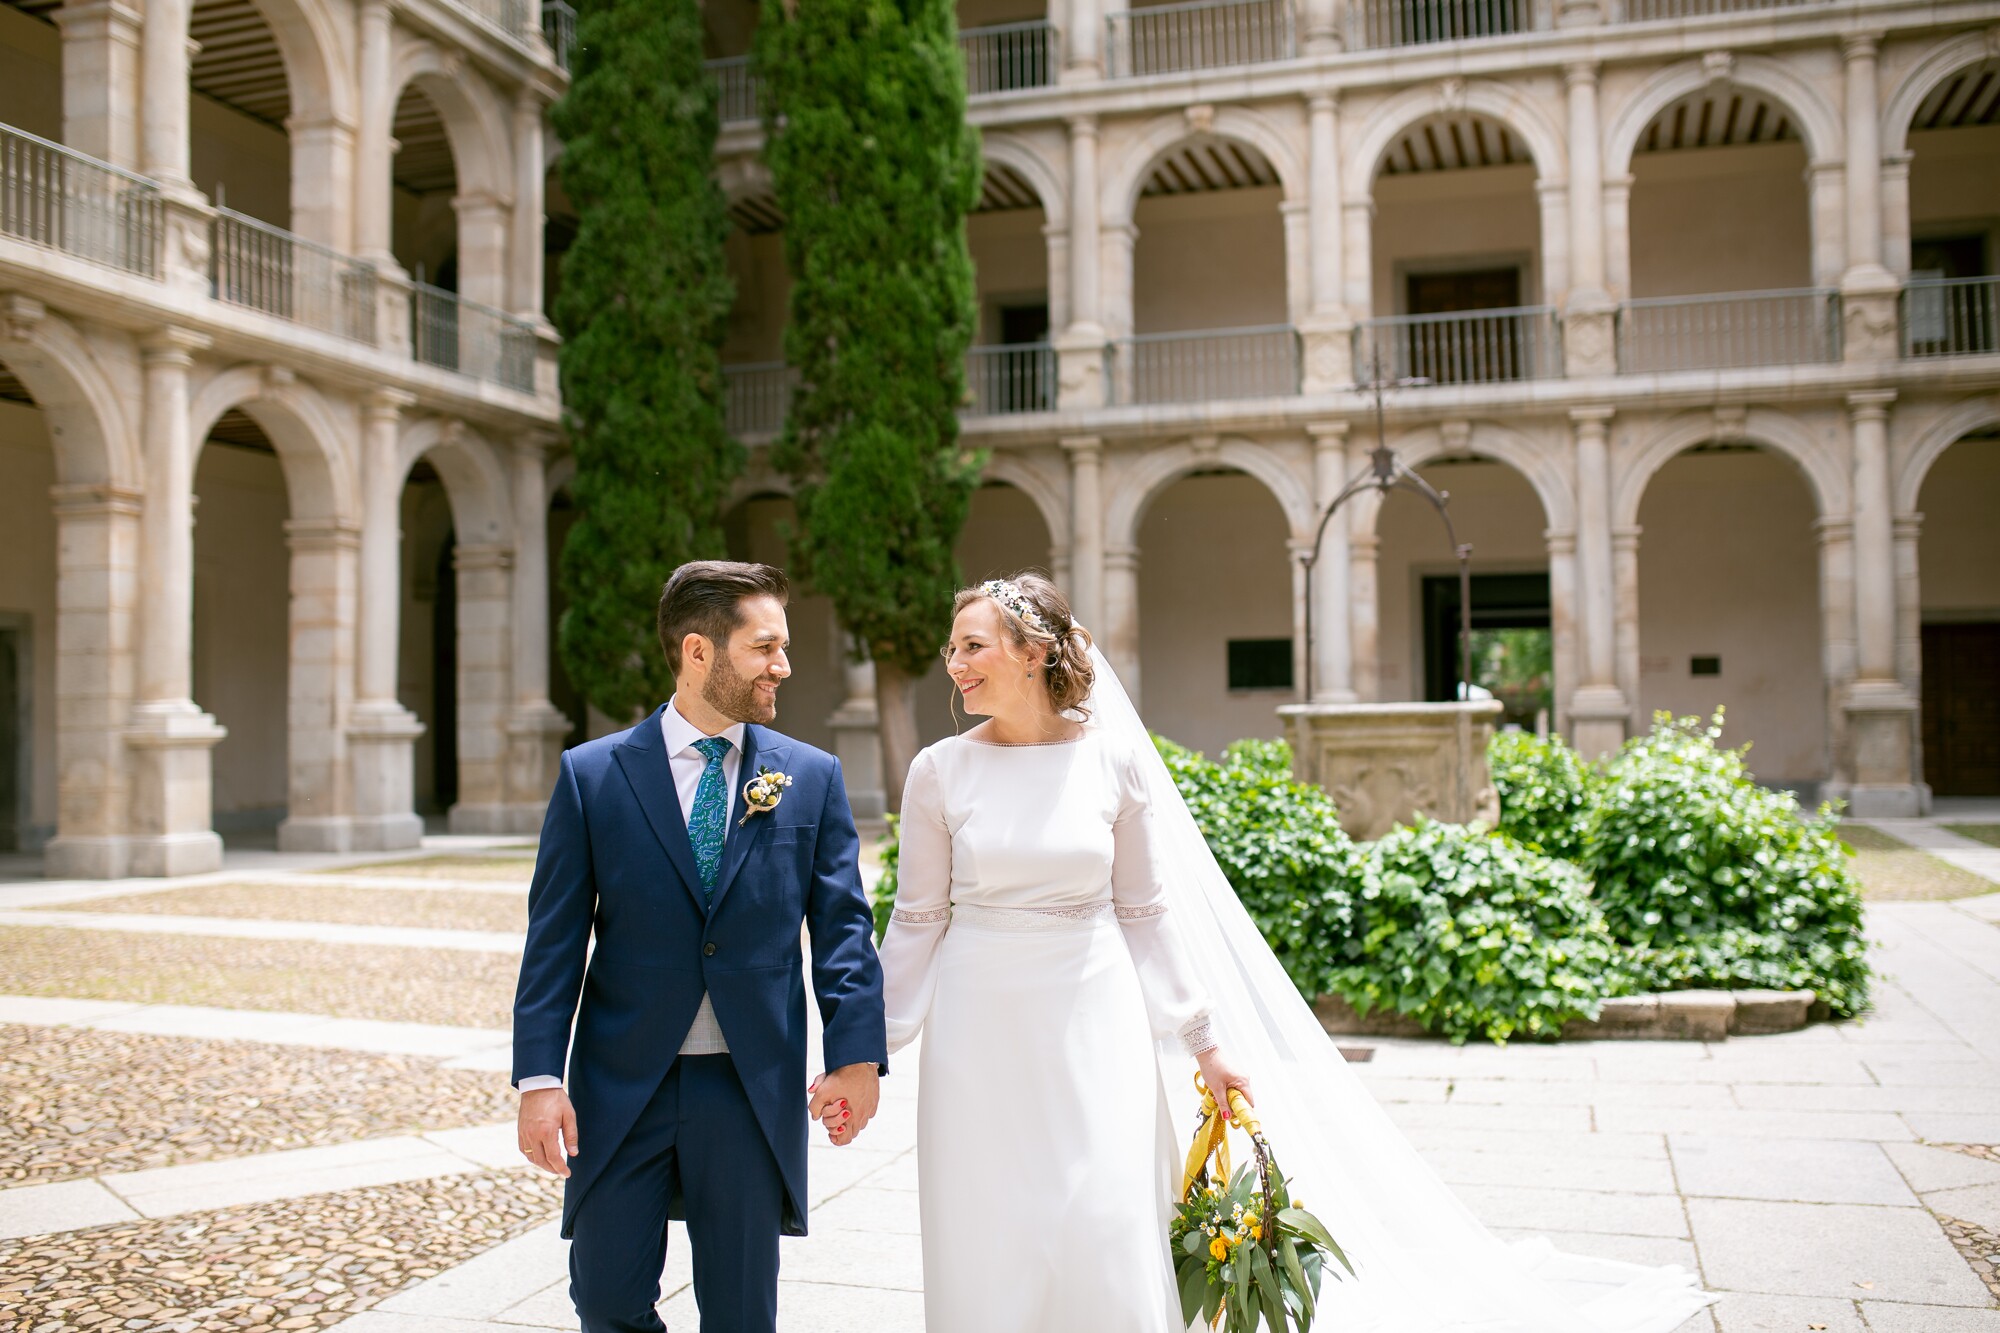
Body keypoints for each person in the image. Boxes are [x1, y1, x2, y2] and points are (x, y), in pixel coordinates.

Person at [878, 573, 1713, 1333]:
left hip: (1094, 1022)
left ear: (1033, 653)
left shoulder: (1115, 759)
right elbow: (916, 919)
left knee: (1101, 1218)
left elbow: (1144, 910)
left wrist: (1205, 1043)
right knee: (986, 1223)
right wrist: (864, 1048)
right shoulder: (938, 772)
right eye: (952, 647)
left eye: (973, 645)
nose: (954, 663)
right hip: (978, 1031)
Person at [511, 560, 887, 1333]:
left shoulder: (810, 779)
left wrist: (856, 1056)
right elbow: (553, 941)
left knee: (741, 1312)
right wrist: (539, 1079)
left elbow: (843, 930)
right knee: (606, 1299)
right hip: (622, 1086)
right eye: (766, 647)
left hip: (748, 1090)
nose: (783, 665)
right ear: (698, 651)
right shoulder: (593, 776)